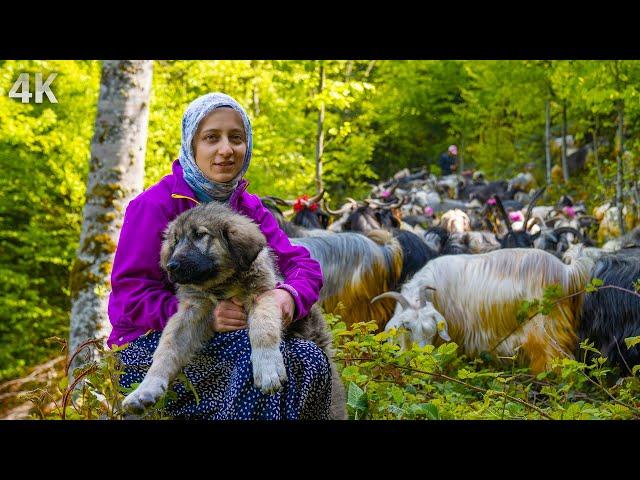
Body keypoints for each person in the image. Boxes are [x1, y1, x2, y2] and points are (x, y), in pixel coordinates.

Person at [108, 92, 332, 419]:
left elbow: (303, 266)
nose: (226, 150)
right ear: (191, 145)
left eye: (236, 138)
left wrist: (286, 297)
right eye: (211, 138)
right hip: (147, 349)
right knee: (250, 355)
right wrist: (209, 317)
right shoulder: (154, 205)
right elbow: (130, 296)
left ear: (247, 146)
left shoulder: (249, 208)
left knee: (310, 359)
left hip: (228, 341)